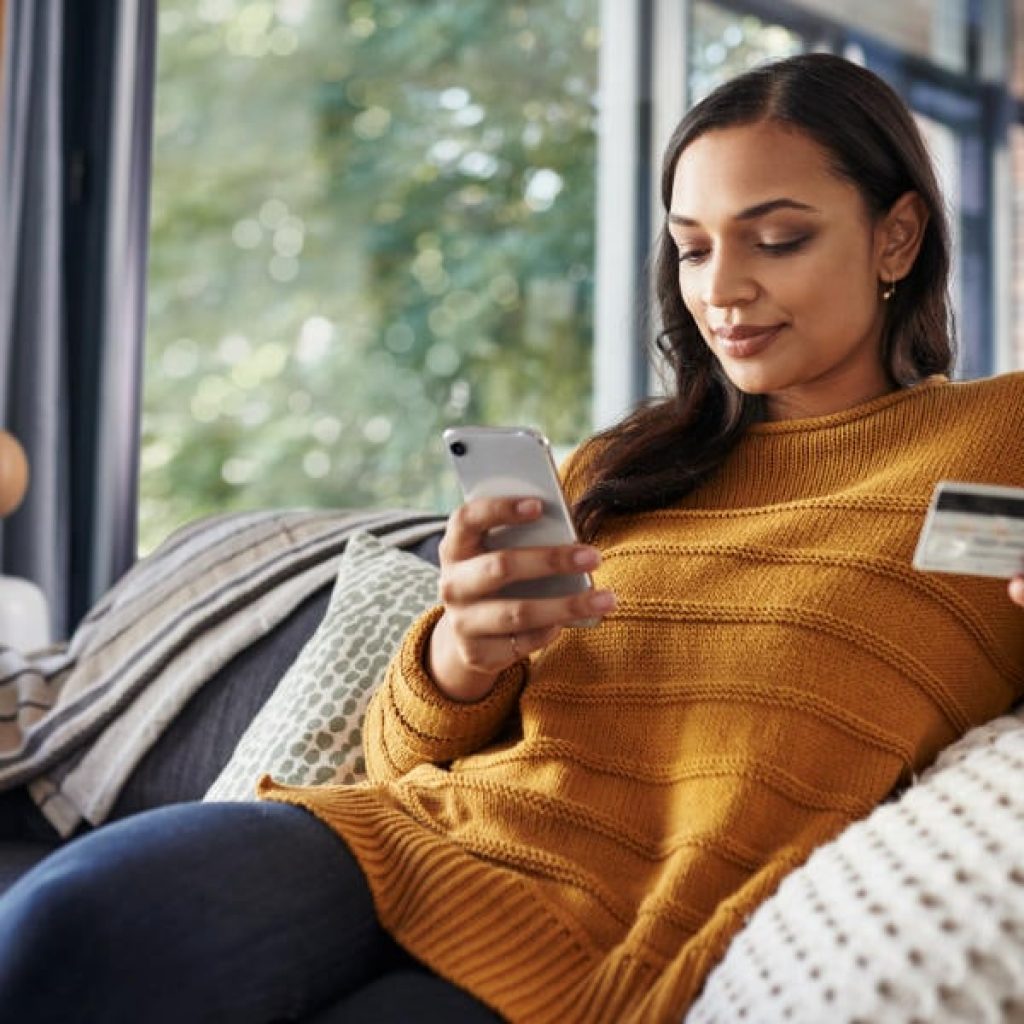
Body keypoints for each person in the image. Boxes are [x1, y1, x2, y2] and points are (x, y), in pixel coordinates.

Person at [0, 52, 1022, 1024]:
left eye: (778, 238)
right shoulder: (623, 463)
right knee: (63, 925)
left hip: (610, 934)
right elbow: (396, 764)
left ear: (895, 237)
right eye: (694, 243)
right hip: (405, 837)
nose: (720, 289)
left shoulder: (999, 433)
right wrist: (459, 653)